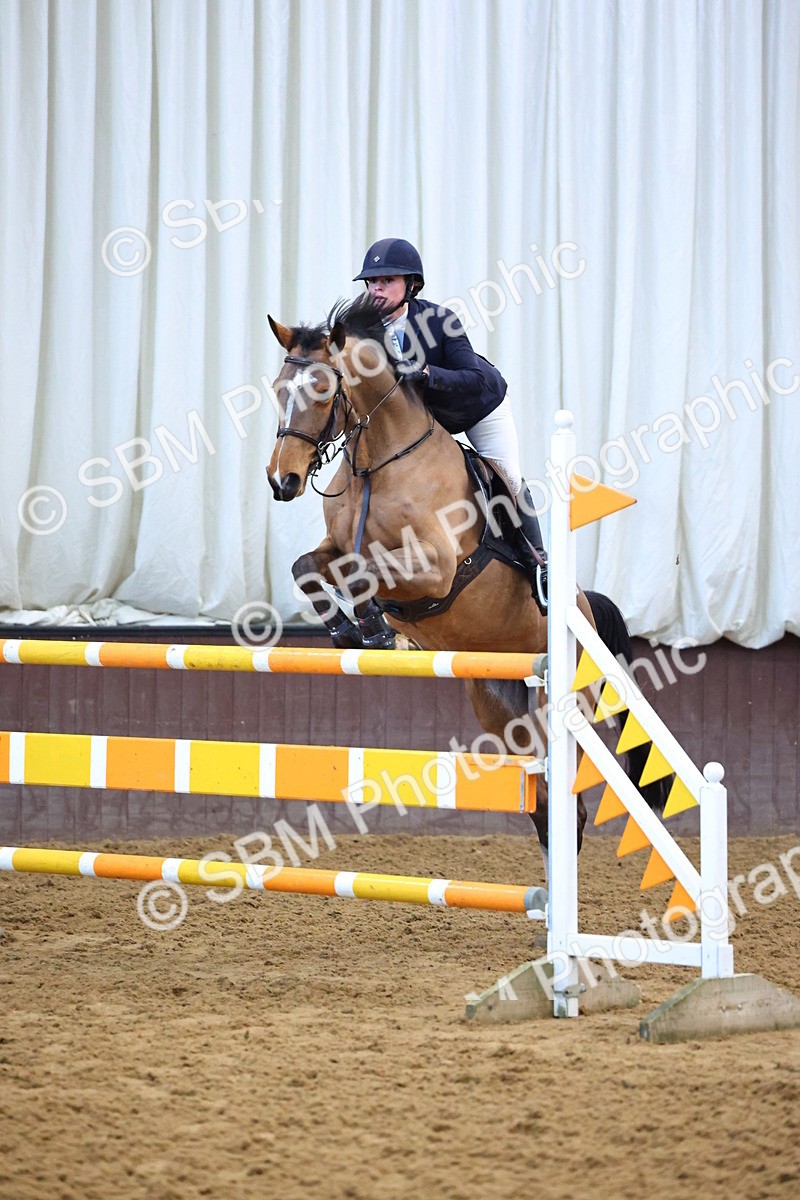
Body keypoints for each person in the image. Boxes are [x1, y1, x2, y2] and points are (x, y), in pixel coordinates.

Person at [353, 237, 548, 598]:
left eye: (387, 281)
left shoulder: (439, 320)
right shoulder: (363, 331)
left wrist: (427, 373)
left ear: (411, 284)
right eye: (372, 282)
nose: (377, 289)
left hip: (478, 406)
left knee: (509, 478)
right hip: (428, 421)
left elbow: (471, 376)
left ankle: (539, 564)